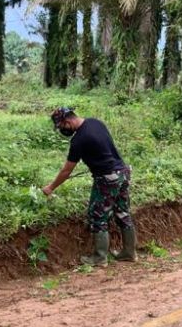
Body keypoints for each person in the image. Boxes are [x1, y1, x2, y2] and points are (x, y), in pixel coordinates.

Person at [43, 107, 137, 265]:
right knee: (123, 213)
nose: (62, 130)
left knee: (98, 216)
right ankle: (129, 252)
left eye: (61, 127)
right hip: (123, 173)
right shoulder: (95, 122)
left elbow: (66, 171)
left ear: (67, 122)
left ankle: (99, 258)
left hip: (107, 178)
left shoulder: (78, 140)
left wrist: (50, 187)